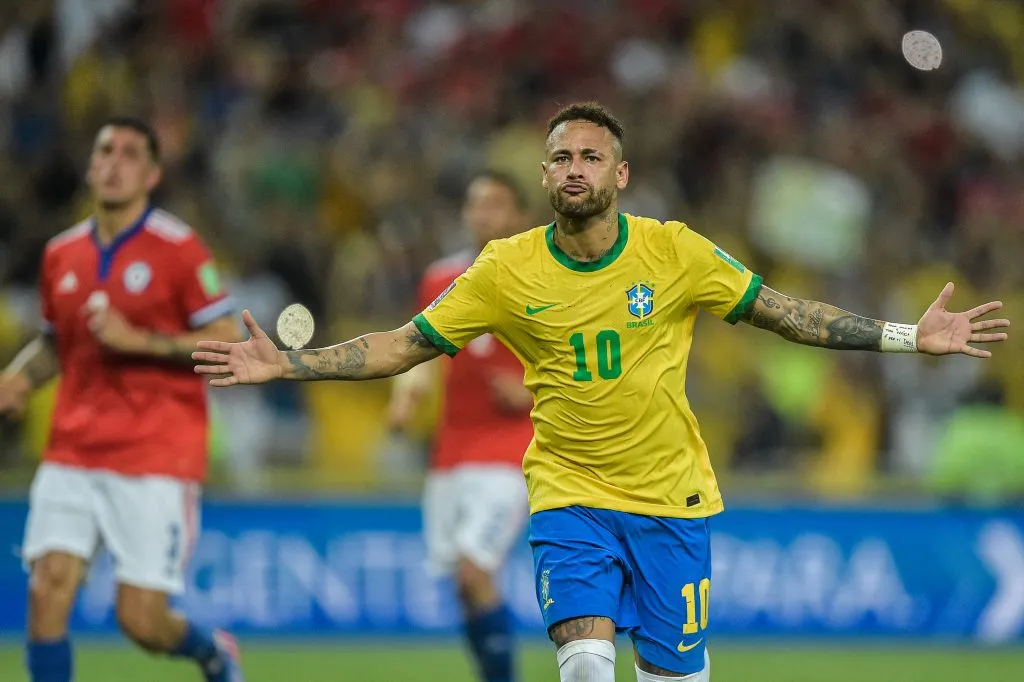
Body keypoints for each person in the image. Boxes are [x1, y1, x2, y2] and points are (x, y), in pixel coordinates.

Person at [193, 102, 1010, 682]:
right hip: (568, 497)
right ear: (544, 174)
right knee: (584, 665)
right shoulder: (505, 268)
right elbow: (402, 345)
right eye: (561, 157)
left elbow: (784, 314)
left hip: (671, 502)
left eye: (590, 156)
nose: (574, 169)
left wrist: (908, 336)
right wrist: (288, 364)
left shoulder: (674, 251)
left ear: (620, 173)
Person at [0, 118, 245, 682]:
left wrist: (141, 342)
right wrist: (18, 378)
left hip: (155, 451)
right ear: (90, 167)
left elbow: (229, 339)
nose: (113, 162)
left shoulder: (179, 249)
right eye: (105, 150)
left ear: (152, 174)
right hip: (72, 448)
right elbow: (54, 342)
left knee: (141, 620)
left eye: (130, 154)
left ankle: (213, 654)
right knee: (47, 588)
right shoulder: (61, 254)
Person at [387, 170, 534, 682]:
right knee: (460, 583)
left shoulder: (541, 274)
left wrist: (532, 390)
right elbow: (422, 349)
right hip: (451, 451)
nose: (483, 215)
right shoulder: (439, 278)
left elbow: (578, 360)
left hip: (510, 451)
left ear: (518, 215)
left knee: (476, 570)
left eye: (495, 204)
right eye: (475, 204)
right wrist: (407, 396)